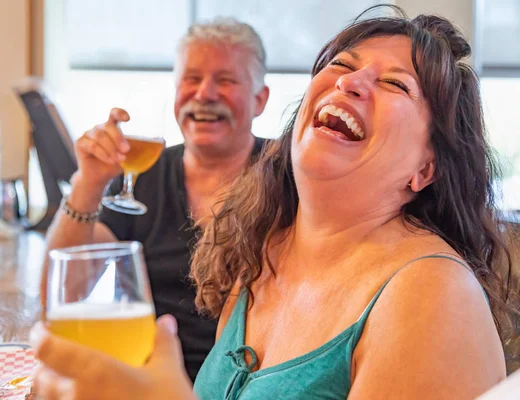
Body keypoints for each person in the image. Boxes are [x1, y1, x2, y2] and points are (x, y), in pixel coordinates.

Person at [31, 6, 519, 399]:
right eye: (342, 66)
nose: (350, 82)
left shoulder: (434, 297)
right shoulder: (259, 250)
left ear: (426, 169)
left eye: (394, 83)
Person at [41, 17, 270, 382]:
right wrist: (88, 183)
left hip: (256, 383)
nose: (205, 93)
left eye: (225, 80)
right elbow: (64, 289)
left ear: (260, 100)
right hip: (151, 377)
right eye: (191, 79)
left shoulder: (287, 175)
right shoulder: (145, 174)